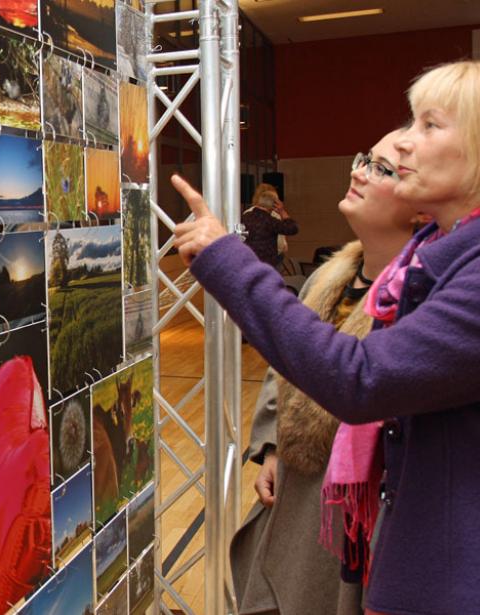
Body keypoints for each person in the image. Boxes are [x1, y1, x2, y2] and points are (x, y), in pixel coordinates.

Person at [172, 60, 480, 614]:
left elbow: (359, 377)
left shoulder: (446, 273)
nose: (404, 143)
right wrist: (273, 445)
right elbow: (290, 373)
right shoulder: (422, 266)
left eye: (429, 125)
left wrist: (227, 259)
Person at [231, 129, 420, 615]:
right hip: (294, 493)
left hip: (352, 518)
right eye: (363, 159)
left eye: (381, 169)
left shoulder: (421, 302)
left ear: (422, 205)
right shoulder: (326, 277)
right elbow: (284, 367)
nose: (358, 172)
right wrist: (272, 447)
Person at [242, 183, 299, 268]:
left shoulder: (244, 216)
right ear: (274, 204)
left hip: (248, 261)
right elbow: (293, 228)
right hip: (267, 265)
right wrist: (282, 211)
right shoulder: (271, 220)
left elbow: (238, 237)